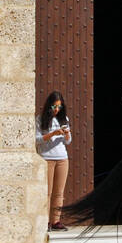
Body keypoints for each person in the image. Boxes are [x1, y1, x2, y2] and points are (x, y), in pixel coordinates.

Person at [36, 91, 72, 230]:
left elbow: (68, 142)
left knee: (59, 192)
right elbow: (37, 140)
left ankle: (55, 221)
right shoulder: (40, 120)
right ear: (48, 106)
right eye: (54, 107)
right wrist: (52, 134)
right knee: (47, 192)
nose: (56, 110)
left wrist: (67, 134)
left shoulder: (64, 119)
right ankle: (44, 221)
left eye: (59, 107)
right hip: (47, 158)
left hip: (62, 158)